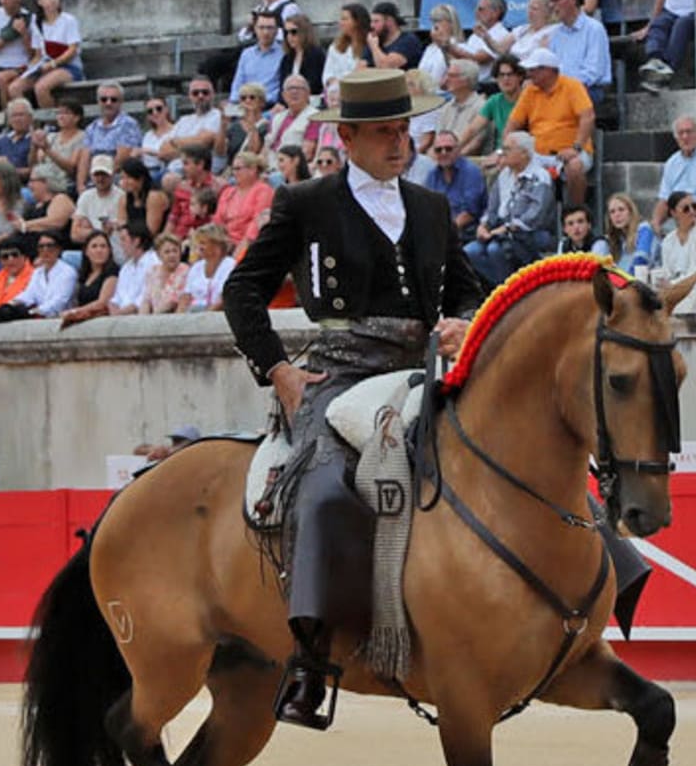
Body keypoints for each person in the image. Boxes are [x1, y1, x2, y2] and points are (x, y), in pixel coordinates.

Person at [221, 67, 481, 728]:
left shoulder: (427, 207)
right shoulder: (306, 202)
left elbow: (465, 289)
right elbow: (241, 290)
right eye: (387, 132)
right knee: (327, 485)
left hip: (421, 368)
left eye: (405, 129)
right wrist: (277, 371)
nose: (401, 143)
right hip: (338, 372)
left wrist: (462, 322)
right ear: (354, 137)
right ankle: (311, 657)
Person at [504, 48, 594, 208]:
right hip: (538, 153)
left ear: (549, 70)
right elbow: (513, 123)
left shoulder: (572, 86)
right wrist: (503, 150)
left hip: (571, 150)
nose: (529, 74)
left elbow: (587, 117)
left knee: (574, 167)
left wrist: (576, 148)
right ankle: (515, 215)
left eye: (533, 70)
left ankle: (575, 211)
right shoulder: (529, 91)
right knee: (506, 164)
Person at [467, 131, 556, 286]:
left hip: (528, 232)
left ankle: (508, 290)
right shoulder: (503, 175)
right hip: (499, 230)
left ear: (524, 153)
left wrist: (504, 229)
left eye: (508, 149)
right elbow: (491, 207)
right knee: (470, 252)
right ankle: (501, 286)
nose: (503, 153)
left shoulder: (540, 177)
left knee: (495, 250)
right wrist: (483, 225)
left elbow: (535, 216)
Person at [8, 0, 80, 109]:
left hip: (68, 66)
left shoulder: (68, 20)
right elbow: (38, 54)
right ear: (39, 1)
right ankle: (29, 123)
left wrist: (53, 64)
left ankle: (51, 122)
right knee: (14, 88)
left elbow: (72, 49)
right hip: (45, 65)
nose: (52, 0)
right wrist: (30, 68)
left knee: (41, 87)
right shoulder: (37, 22)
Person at [546, 0, 611, 104]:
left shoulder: (594, 29)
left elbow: (593, 73)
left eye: (556, 0)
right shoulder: (555, 33)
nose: (552, 6)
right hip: (560, 88)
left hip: (588, 89)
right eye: (550, 1)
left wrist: (562, 86)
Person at [421, 130, 484, 241]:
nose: (443, 153)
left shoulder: (470, 172)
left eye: (448, 149)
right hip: (440, 233)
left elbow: (469, 213)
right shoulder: (432, 175)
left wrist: (444, 231)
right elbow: (427, 208)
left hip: (466, 233)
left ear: (458, 150)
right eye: (438, 150)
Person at [463, 54, 522, 163]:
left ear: (520, 76)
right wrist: (455, 149)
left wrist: (499, 153)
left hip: (519, 155)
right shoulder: (495, 101)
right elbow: (472, 129)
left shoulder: (527, 99)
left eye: (510, 74)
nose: (505, 79)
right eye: (501, 75)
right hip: (498, 155)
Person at [58, 229, 117, 326]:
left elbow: (102, 302)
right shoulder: (84, 275)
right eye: (94, 246)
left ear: (109, 250)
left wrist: (75, 312)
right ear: (86, 251)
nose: (99, 250)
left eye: (103, 246)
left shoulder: (112, 272)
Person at [215, 149, 272, 246]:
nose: (234, 173)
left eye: (238, 169)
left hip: (248, 245)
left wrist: (241, 247)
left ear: (253, 170)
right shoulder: (227, 192)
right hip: (224, 243)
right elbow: (217, 221)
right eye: (233, 169)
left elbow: (256, 224)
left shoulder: (264, 191)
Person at [229, 11, 283, 107]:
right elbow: (237, 84)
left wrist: (258, 100)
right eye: (261, 27)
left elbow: (280, 89)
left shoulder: (284, 55)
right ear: (255, 29)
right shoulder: (246, 54)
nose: (265, 32)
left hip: (269, 107)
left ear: (276, 30)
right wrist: (234, 102)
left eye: (270, 28)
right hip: (244, 105)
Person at [83, 81, 140, 169]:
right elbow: (84, 161)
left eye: (113, 99)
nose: (108, 103)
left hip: (116, 177)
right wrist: (81, 183)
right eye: (104, 99)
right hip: (94, 176)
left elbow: (121, 161)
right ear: (98, 102)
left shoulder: (128, 125)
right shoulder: (91, 128)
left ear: (121, 102)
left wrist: (101, 180)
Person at [72, 154, 125, 245]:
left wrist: (88, 230)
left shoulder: (122, 197)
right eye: (97, 174)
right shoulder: (86, 196)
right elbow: (75, 234)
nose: (100, 178)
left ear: (112, 175)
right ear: (91, 176)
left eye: (104, 174)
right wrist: (100, 231)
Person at [181, 222, 233, 311]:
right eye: (198, 243)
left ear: (217, 245)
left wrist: (204, 317)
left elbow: (223, 299)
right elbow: (185, 298)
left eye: (203, 243)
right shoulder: (196, 267)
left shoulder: (230, 265)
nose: (199, 247)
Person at [604, 192, 656, 273]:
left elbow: (641, 261)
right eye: (612, 212)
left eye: (621, 209)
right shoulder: (616, 239)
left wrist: (623, 281)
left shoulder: (644, 229)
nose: (617, 215)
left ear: (631, 212)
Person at [364, 2, 421, 71]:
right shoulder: (375, 41)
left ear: (389, 21)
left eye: (376, 21)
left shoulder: (408, 40)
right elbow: (360, 69)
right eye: (371, 21)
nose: (372, 26)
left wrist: (374, 47)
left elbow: (386, 68)